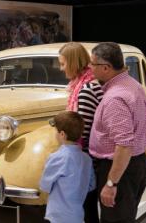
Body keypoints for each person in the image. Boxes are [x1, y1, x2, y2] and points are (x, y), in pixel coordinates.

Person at [89, 42, 146, 222]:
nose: (90, 68)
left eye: (93, 64)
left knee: (115, 219)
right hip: (135, 164)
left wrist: (111, 183)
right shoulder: (133, 84)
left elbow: (124, 145)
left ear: (106, 68)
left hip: (119, 169)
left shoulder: (115, 98)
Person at [59, 42, 103, 222]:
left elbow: (83, 128)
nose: (61, 69)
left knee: (86, 205)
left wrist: (75, 158)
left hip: (86, 155)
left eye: (63, 64)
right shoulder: (83, 83)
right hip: (89, 154)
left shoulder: (85, 88)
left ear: (73, 62)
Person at [40, 111, 96, 223]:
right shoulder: (87, 159)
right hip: (77, 216)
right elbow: (92, 185)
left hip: (57, 216)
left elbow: (44, 185)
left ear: (62, 135)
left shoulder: (56, 157)